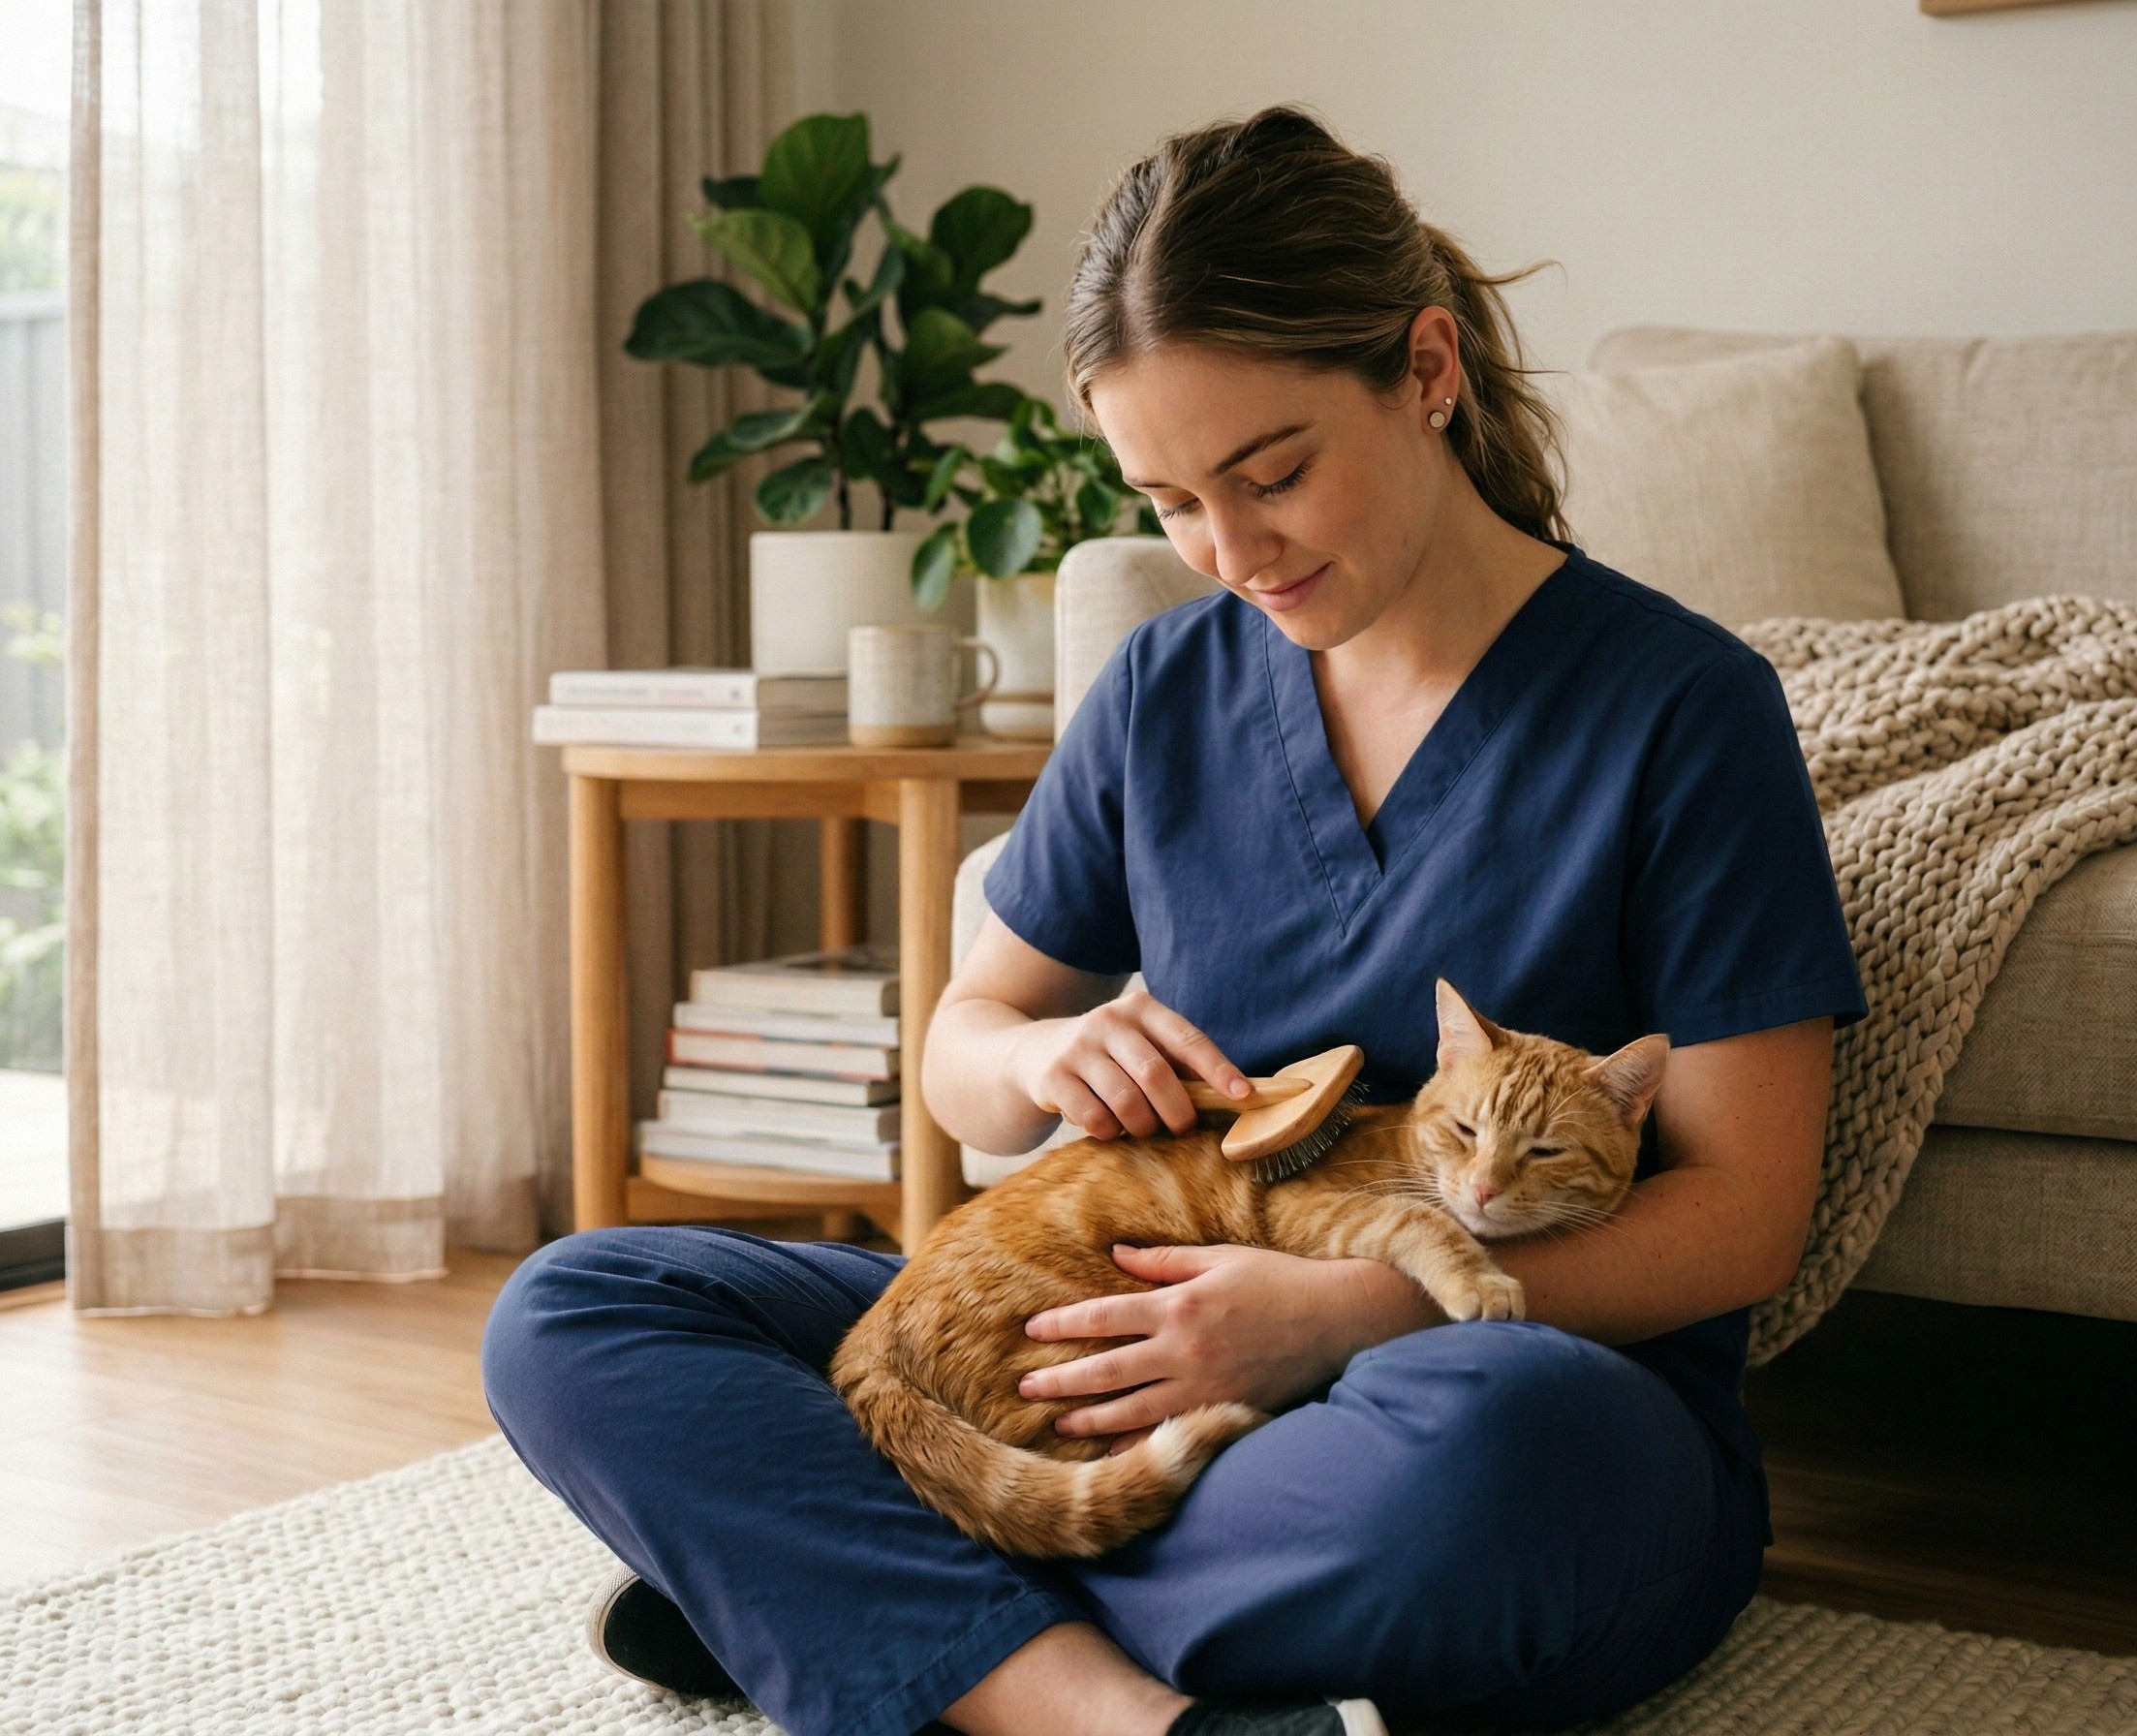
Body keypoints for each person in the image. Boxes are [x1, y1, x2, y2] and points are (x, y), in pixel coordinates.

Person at [482, 106, 1866, 1736]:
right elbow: (962, 1053)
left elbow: (1745, 1218)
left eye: (1272, 474)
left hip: (1472, 1382)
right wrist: (1056, 1047)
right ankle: (1102, 1705)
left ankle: (865, 1594)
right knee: (575, 1313)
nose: (1232, 551)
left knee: (1498, 1471)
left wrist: (1349, 1314)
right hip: (1097, 1340)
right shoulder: (1165, 688)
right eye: (1170, 500)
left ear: (1428, 372)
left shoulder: (1683, 709)